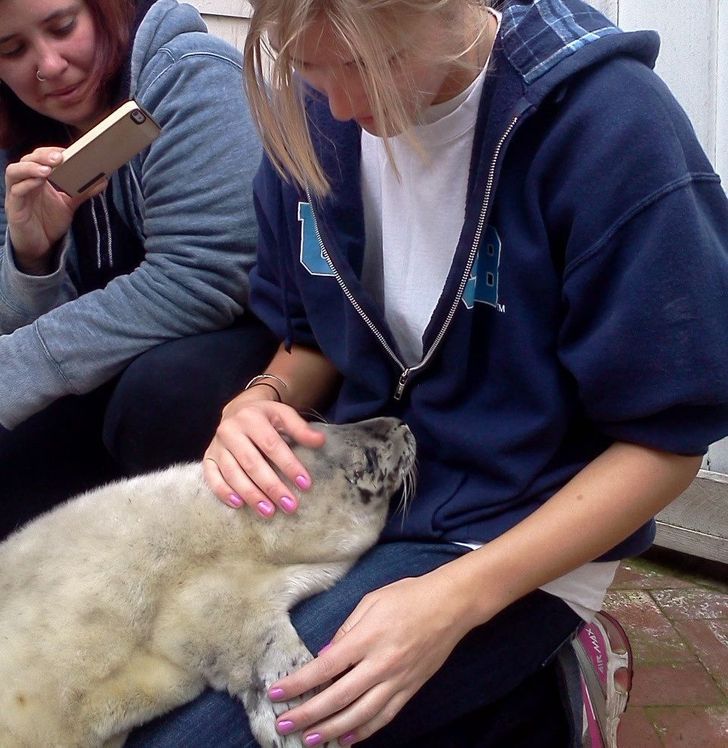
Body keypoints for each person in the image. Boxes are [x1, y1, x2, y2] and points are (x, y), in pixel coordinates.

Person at [126, 0, 728, 745]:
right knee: (123, 680)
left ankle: (551, 668)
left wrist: (454, 600)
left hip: (515, 525)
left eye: (367, 66)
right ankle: (501, 705)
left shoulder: (612, 131)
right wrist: (258, 400)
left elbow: (667, 445)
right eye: (310, 66)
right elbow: (310, 334)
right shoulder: (314, 116)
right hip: (366, 483)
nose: (341, 105)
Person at [0, 0, 277, 536]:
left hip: (248, 348)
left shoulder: (191, 76)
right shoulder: (21, 136)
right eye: (12, 50)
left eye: (63, 28)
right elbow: (16, 318)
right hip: (114, 362)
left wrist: (17, 369)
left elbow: (201, 281)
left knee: (161, 393)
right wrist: (33, 258)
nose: (49, 65)